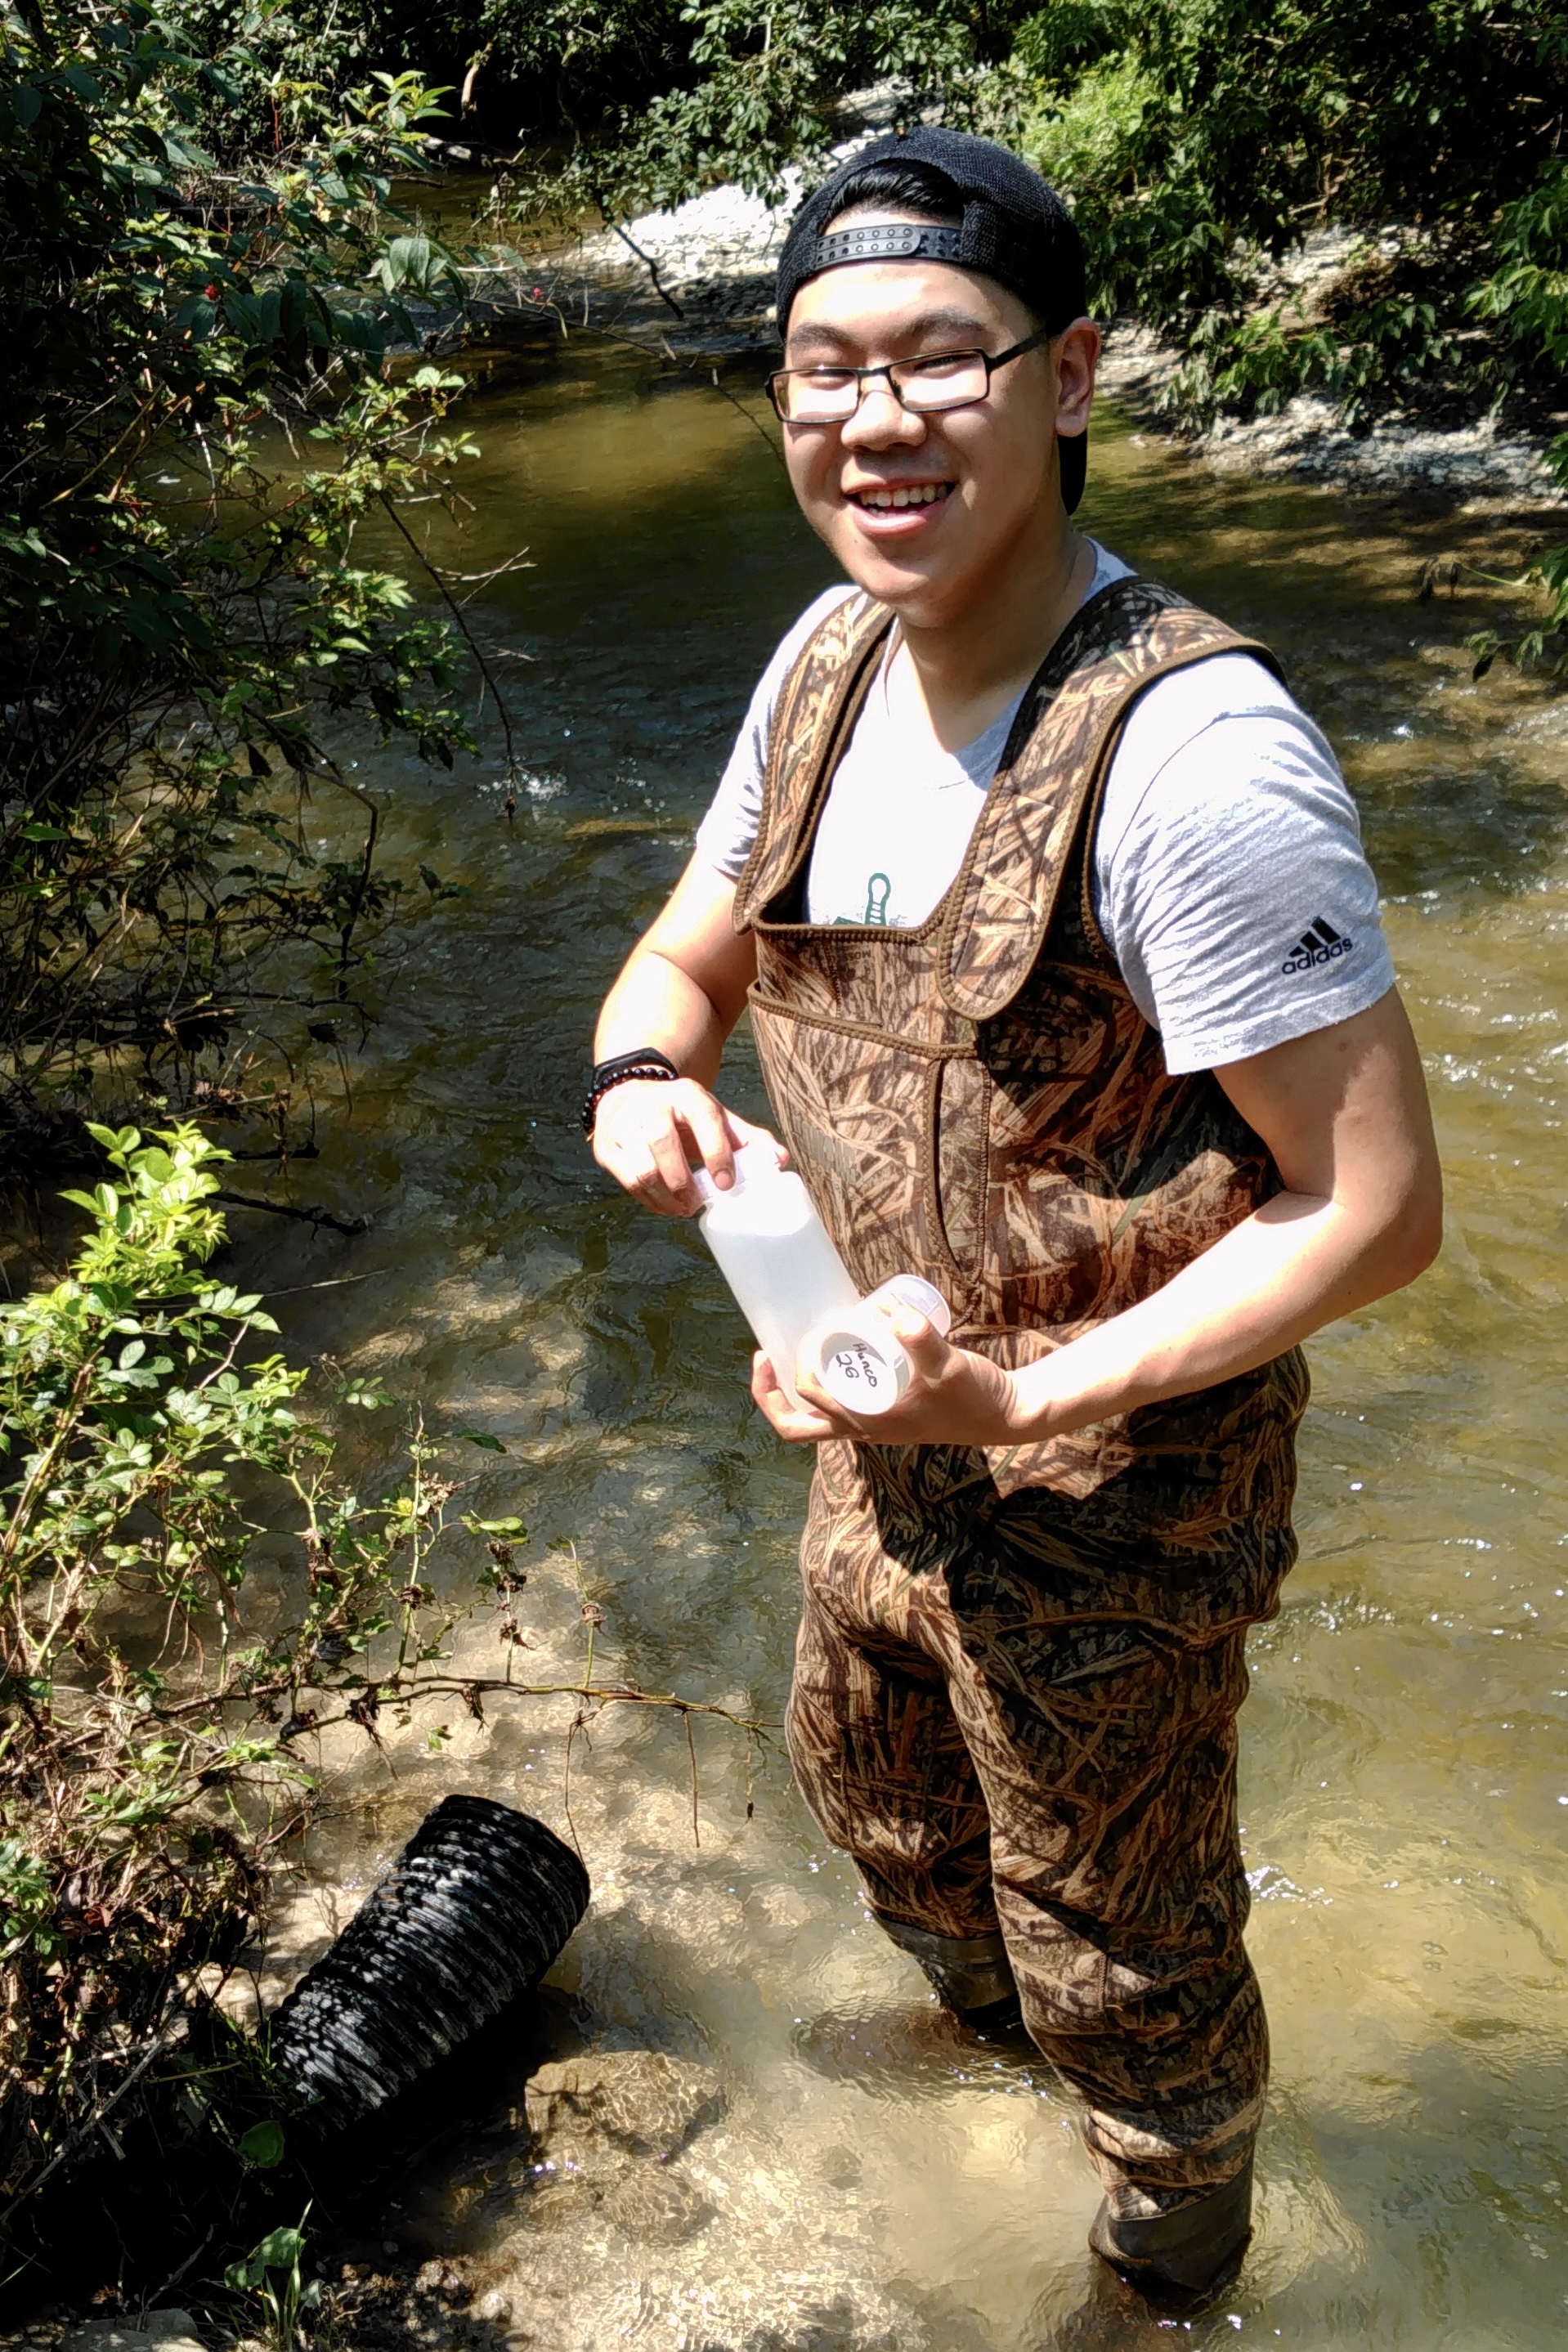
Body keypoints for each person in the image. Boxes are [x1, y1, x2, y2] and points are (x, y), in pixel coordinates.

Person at [585, 127, 1441, 2311]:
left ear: (1068, 378)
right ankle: (987, 2056)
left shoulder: (1196, 759)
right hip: (877, 1427)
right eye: (823, 368)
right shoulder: (825, 664)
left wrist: (1032, 1391)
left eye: (943, 363)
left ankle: (1169, 2268)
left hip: (1119, 1491)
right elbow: (685, 947)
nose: (878, 420)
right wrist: (643, 1082)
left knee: (1133, 1970)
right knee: (876, 1815)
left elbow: (1375, 1209)